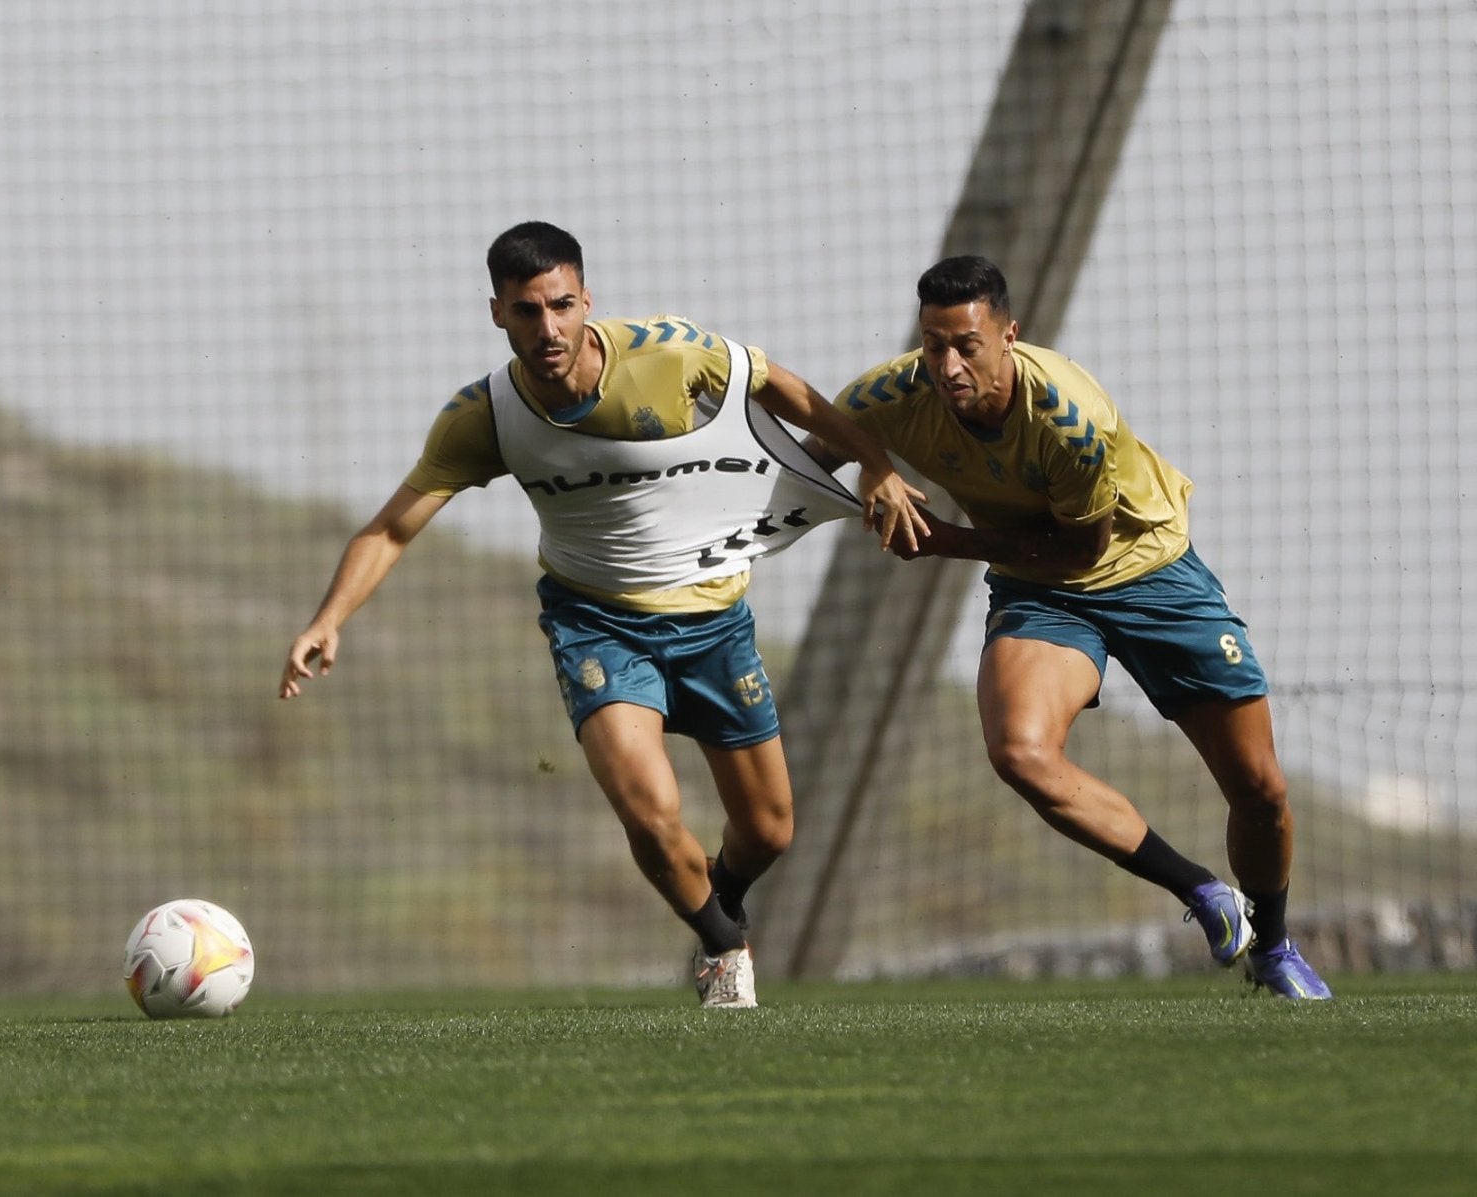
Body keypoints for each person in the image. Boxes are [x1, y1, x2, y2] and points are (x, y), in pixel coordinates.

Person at [279, 221, 925, 1008]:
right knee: (651, 817)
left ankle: (719, 895)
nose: (546, 329)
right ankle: (724, 947)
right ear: (496, 314)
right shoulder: (484, 416)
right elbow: (388, 527)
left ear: (588, 298)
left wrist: (876, 461)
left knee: (770, 831)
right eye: (525, 311)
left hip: (713, 620)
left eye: (560, 305)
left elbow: (779, 384)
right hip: (597, 624)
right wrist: (328, 618)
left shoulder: (668, 356)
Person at [813, 254, 1331, 999]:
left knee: (1260, 788)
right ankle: (1205, 894)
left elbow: (1078, 548)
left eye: (967, 345)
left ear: (1009, 335)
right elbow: (811, 449)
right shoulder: (895, 392)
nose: (948, 365)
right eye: (933, 345)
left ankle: (1275, 946)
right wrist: (870, 469)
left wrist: (950, 541)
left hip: (1148, 571)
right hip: (1042, 592)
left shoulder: (1069, 417)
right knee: (1019, 752)